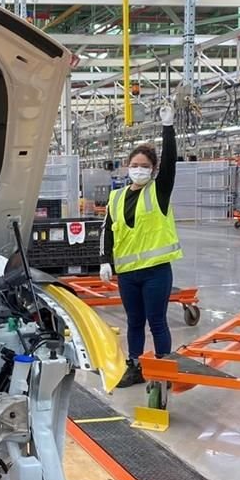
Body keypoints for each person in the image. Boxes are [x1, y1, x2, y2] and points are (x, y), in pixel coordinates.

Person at [99, 105, 181, 388]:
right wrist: (105, 260)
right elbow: (108, 230)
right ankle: (134, 367)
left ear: (153, 169)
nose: (138, 170)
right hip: (127, 274)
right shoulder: (116, 197)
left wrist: (168, 128)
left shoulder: (159, 190)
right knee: (134, 322)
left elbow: (170, 162)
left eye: (145, 166)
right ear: (127, 167)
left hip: (156, 272)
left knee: (157, 321)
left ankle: (163, 370)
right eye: (134, 165)